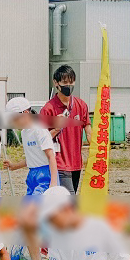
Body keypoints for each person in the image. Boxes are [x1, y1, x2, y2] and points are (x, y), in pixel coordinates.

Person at [3, 96, 59, 260]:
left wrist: (53, 185)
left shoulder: (39, 129)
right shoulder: (25, 132)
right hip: (32, 177)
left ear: (26, 113)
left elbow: (51, 157)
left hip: (45, 177)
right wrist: (14, 166)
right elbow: (31, 158)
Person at [40, 65, 90, 194]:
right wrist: (56, 129)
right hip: (59, 163)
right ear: (56, 83)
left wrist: (99, 147)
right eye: (65, 82)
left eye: (71, 82)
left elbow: (88, 130)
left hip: (77, 163)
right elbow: (42, 139)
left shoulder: (81, 105)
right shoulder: (48, 109)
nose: (69, 85)